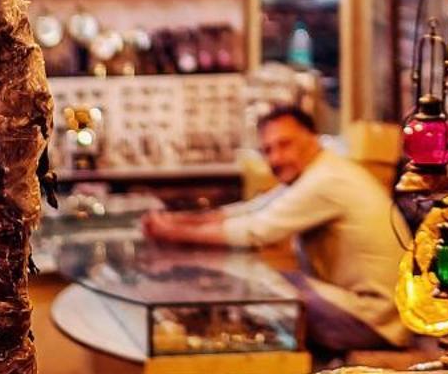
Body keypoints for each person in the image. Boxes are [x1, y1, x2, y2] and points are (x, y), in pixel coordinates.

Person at [141, 105, 409, 359]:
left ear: (312, 139)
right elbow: (247, 211)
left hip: (376, 321)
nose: (276, 158)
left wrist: (172, 233)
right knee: (269, 287)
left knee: (267, 291)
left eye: (285, 144)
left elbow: (255, 232)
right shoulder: (315, 172)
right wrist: (177, 222)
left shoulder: (327, 179)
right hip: (365, 310)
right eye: (267, 150)